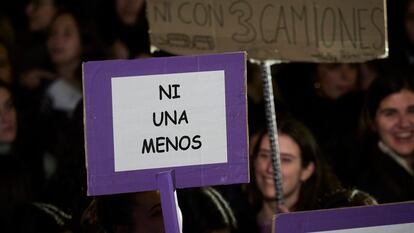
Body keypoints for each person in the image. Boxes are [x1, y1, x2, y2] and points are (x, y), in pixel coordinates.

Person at [249, 116, 341, 233]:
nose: (271, 168)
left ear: (306, 170)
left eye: (286, 159)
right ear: (254, 161)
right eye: (264, 155)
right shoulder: (234, 220)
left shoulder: (327, 224)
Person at [357, 69, 414, 203]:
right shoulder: (366, 183)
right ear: (372, 121)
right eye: (390, 113)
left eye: (412, 111)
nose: (404, 123)